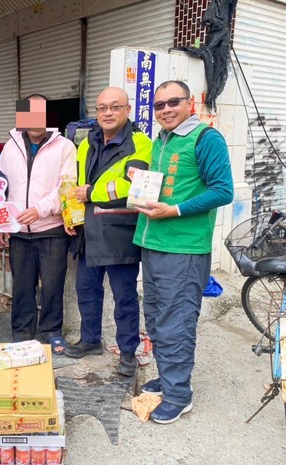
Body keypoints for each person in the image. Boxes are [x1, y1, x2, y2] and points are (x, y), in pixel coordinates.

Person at [133, 80, 234, 423]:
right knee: (158, 318)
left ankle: (179, 394)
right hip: (154, 243)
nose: (165, 110)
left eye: (173, 102)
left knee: (176, 321)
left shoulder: (206, 138)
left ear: (190, 103)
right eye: (158, 105)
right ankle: (169, 377)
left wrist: (173, 211)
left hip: (184, 248)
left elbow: (223, 190)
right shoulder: (161, 140)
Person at [63, 87, 152, 378]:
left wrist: (92, 192)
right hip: (87, 230)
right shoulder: (87, 143)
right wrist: (70, 214)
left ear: (128, 110)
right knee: (86, 290)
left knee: (124, 296)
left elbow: (136, 188)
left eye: (115, 107)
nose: (108, 113)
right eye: (102, 108)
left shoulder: (141, 143)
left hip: (118, 232)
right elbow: (76, 184)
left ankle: (128, 351)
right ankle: (91, 340)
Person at [0, 94, 77, 354]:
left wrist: (39, 210)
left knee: (53, 284)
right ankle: (21, 333)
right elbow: (1, 187)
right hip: (19, 231)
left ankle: (52, 331)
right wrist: (2, 223)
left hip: (51, 228)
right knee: (21, 286)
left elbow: (67, 186)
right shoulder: (10, 147)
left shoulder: (65, 146)